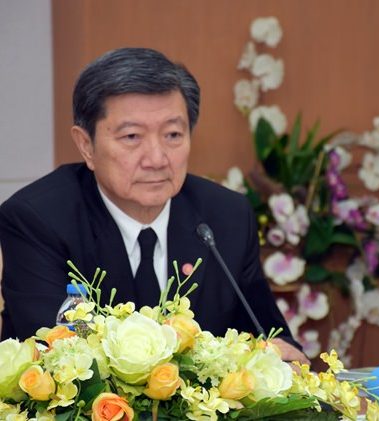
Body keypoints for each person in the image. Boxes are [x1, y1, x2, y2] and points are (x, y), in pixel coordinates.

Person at [0, 47, 307, 363]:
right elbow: (59, 364)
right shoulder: (38, 221)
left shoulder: (226, 217)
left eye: (173, 134)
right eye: (132, 137)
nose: (157, 159)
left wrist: (283, 362)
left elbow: (271, 337)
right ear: (86, 145)